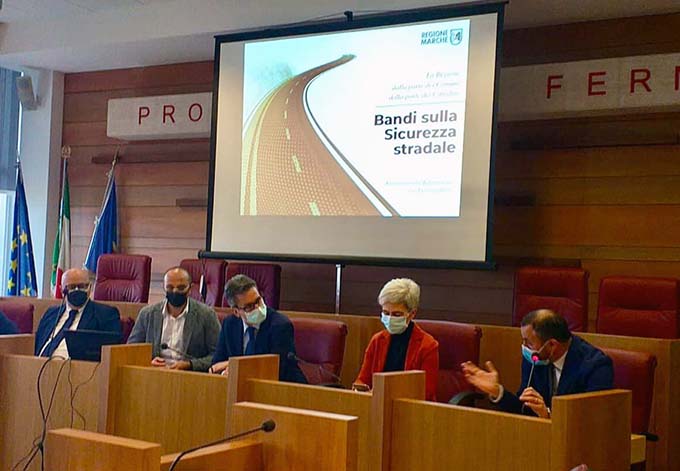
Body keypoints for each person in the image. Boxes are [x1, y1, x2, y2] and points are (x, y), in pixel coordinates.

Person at [462, 309, 613, 418]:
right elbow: (523, 409)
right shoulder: (535, 358)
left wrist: (547, 415)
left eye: (528, 343)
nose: (524, 347)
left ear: (552, 345)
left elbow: (592, 421)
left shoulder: (596, 366)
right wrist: (497, 391)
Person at [211, 274, 306, 383]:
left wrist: (235, 366)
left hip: (281, 388)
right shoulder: (229, 324)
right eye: (249, 306)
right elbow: (216, 365)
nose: (257, 307)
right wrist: (226, 370)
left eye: (258, 300)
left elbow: (276, 368)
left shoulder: (280, 325)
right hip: (241, 386)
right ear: (236, 312)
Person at [354, 278, 439, 401]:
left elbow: (426, 392)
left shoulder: (428, 346)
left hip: (412, 408)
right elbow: (362, 380)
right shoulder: (377, 341)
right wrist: (360, 390)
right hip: (376, 404)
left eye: (396, 314)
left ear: (412, 314)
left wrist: (383, 394)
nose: (389, 318)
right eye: (385, 313)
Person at [127, 267, 220, 372]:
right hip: (154, 373)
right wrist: (148, 361)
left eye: (181, 288)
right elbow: (131, 350)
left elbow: (217, 355)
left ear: (190, 289)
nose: (175, 291)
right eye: (170, 287)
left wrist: (189, 365)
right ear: (164, 287)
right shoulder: (147, 314)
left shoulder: (206, 315)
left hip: (190, 375)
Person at [35, 268, 121, 358]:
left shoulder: (106, 314)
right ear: (62, 290)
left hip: (75, 365)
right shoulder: (51, 314)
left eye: (81, 286)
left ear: (90, 287)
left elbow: (110, 352)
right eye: (72, 287)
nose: (77, 290)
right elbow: (37, 344)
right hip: (38, 363)